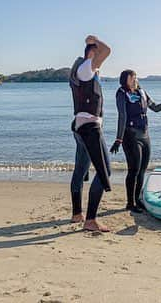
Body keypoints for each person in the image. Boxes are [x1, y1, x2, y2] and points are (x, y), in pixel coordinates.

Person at [110, 70, 161, 213]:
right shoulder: (121, 93)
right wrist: (119, 139)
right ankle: (130, 203)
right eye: (132, 77)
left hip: (144, 136)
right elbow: (122, 116)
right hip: (130, 136)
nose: (135, 79)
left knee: (142, 170)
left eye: (135, 77)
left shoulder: (142, 92)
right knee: (134, 170)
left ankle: (137, 200)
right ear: (125, 79)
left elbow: (155, 108)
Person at [69, 35, 112, 232]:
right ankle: (91, 219)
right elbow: (107, 50)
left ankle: (77, 213)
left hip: (80, 126)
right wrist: (94, 39)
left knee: (81, 169)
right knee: (105, 172)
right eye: (96, 55)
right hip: (90, 129)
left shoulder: (84, 71)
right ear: (91, 54)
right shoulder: (86, 68)